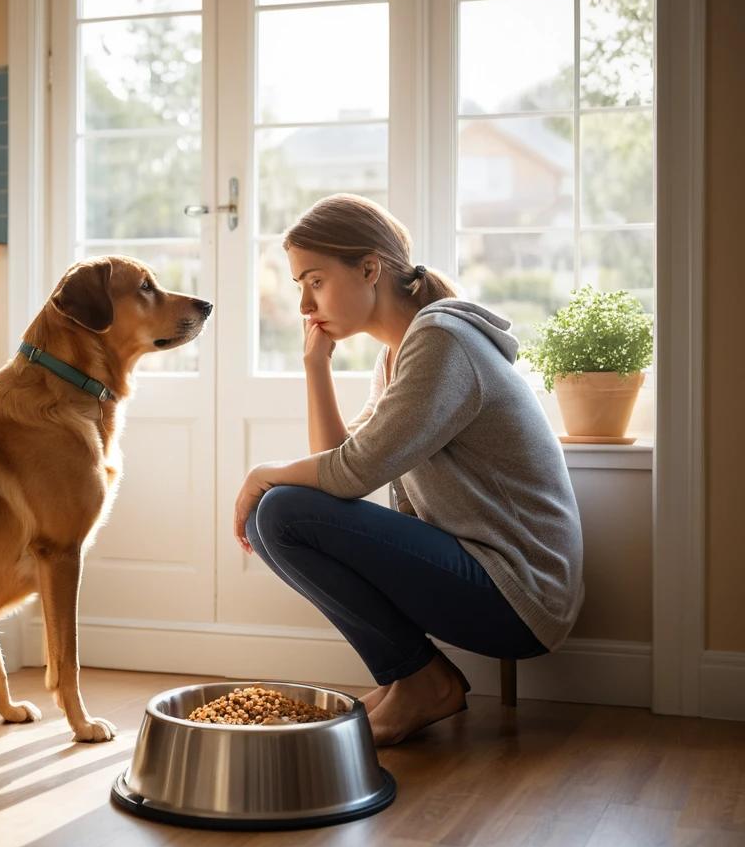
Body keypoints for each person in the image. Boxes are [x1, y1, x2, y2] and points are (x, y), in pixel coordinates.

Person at [233, 193, 584, 745]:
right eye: (300, 284)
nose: (304, 304)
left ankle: (421, 682)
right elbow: (338, 471)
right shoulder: (399, 353)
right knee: (275, 514)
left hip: (520, 593)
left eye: (315, 280)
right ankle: (411, 679)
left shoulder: (442, 341)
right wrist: (314, 368)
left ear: (370, 268)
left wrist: (263, 473)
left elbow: (346, 477)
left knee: (278, 509)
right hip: (481, 573)